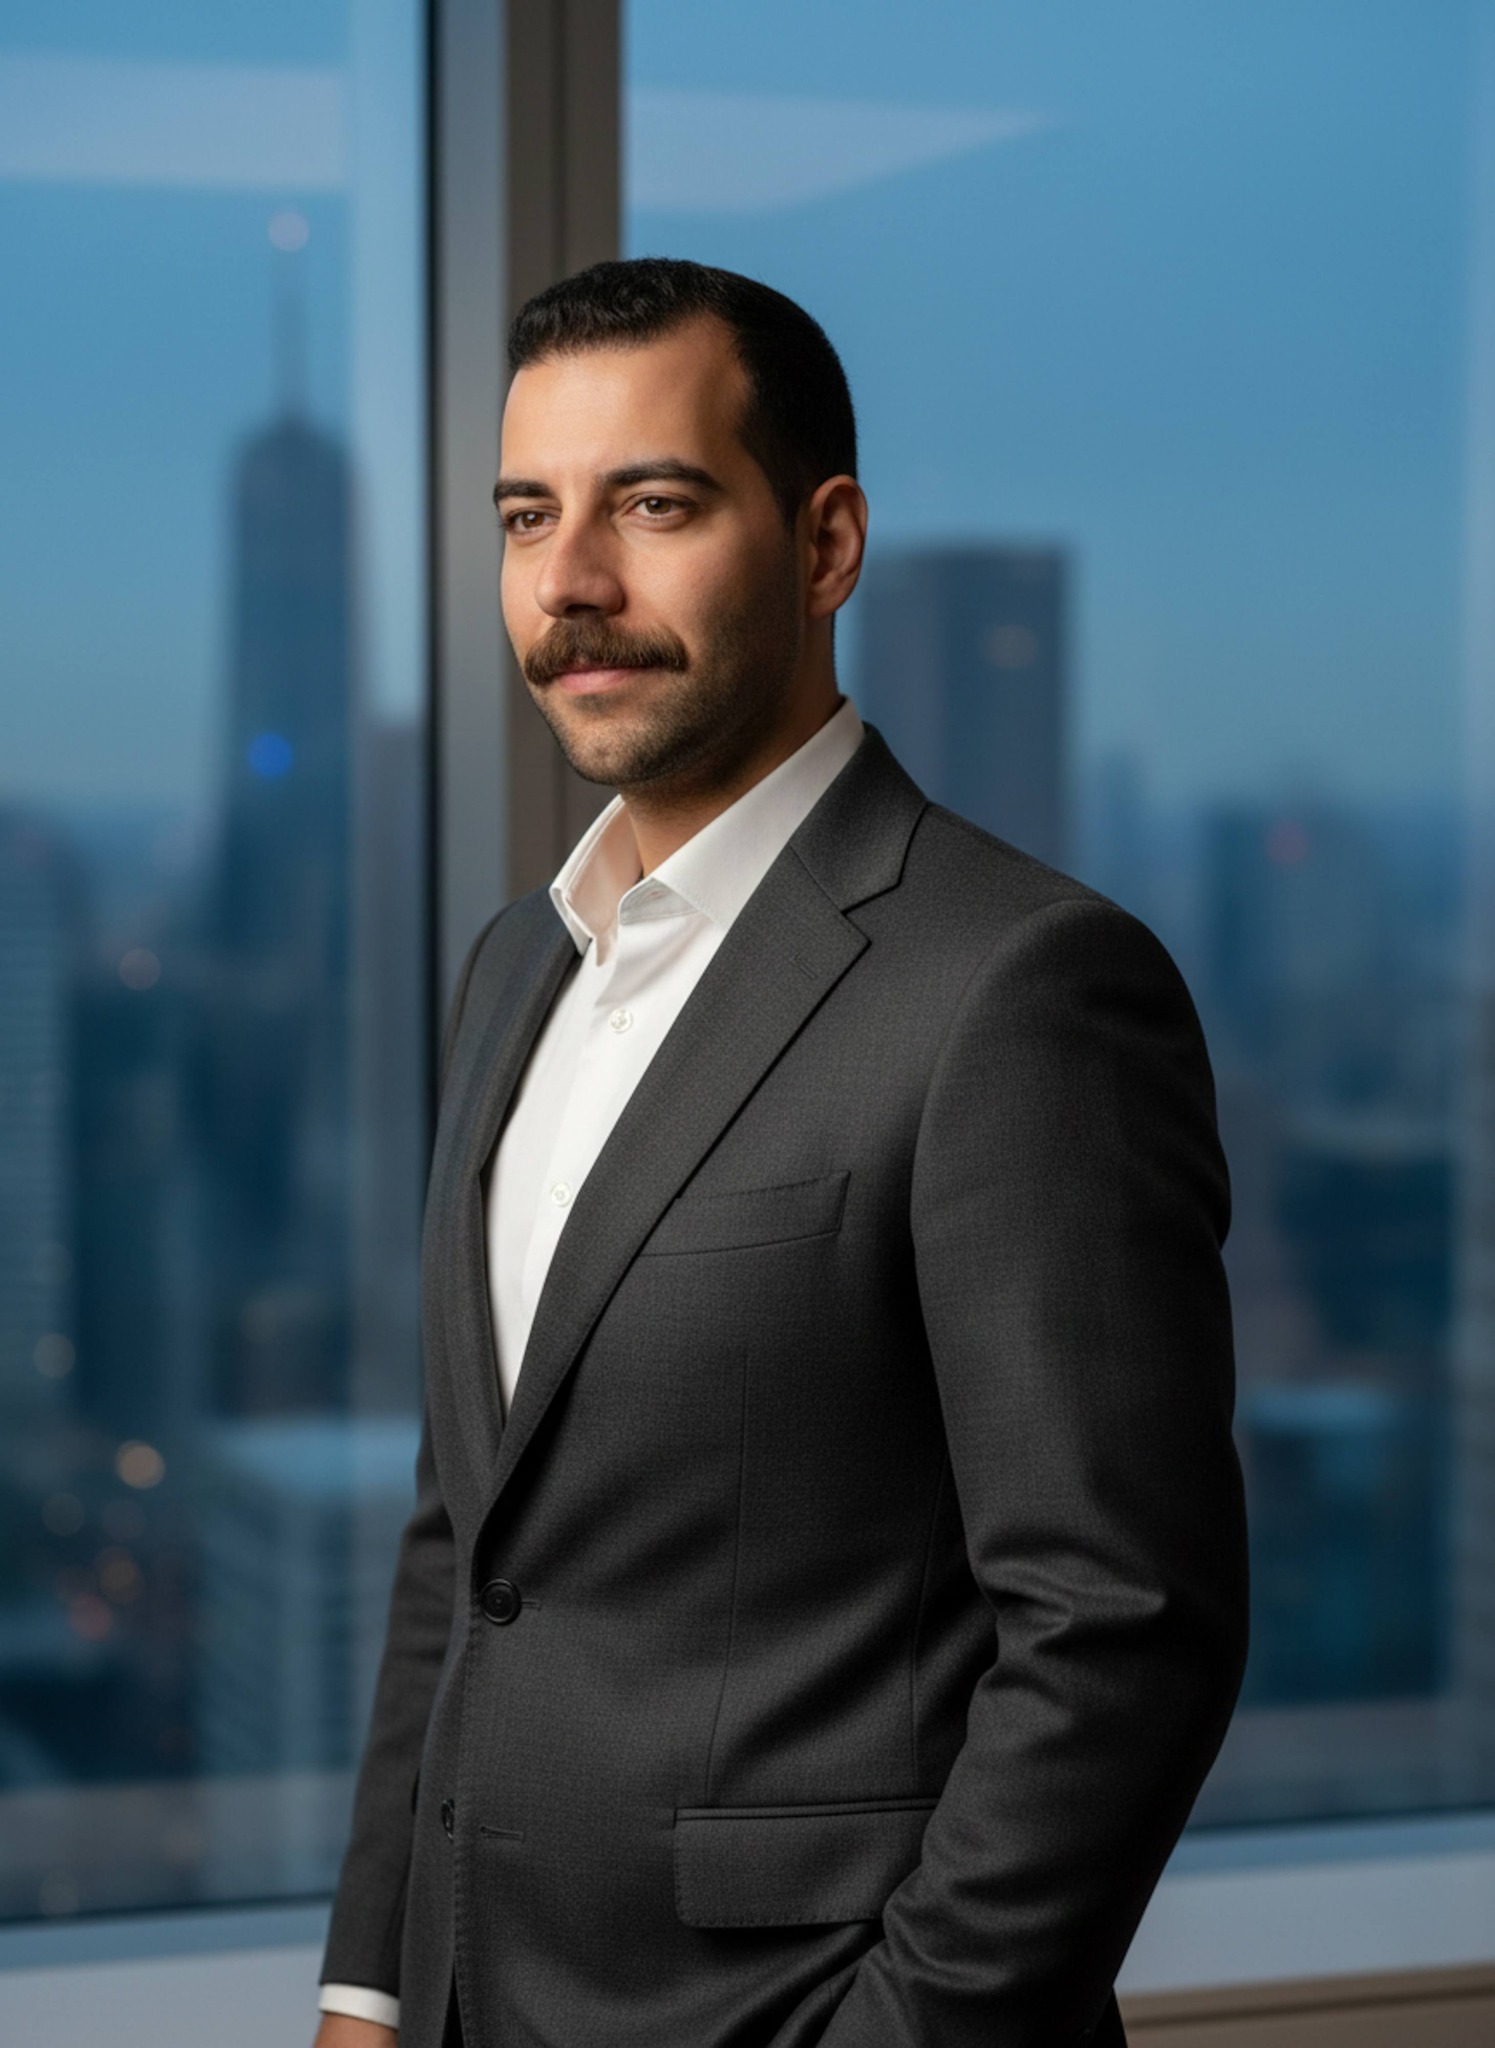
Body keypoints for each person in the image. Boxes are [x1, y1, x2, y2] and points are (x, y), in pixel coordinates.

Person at [314, 257, 1248, 2048]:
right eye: (529, 516)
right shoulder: (515, 968)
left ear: (825, 547)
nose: (572, 585)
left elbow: (1119, 1630)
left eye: (653, 506)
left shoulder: (1022, 986)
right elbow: (468, 1545)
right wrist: (370, 1988)